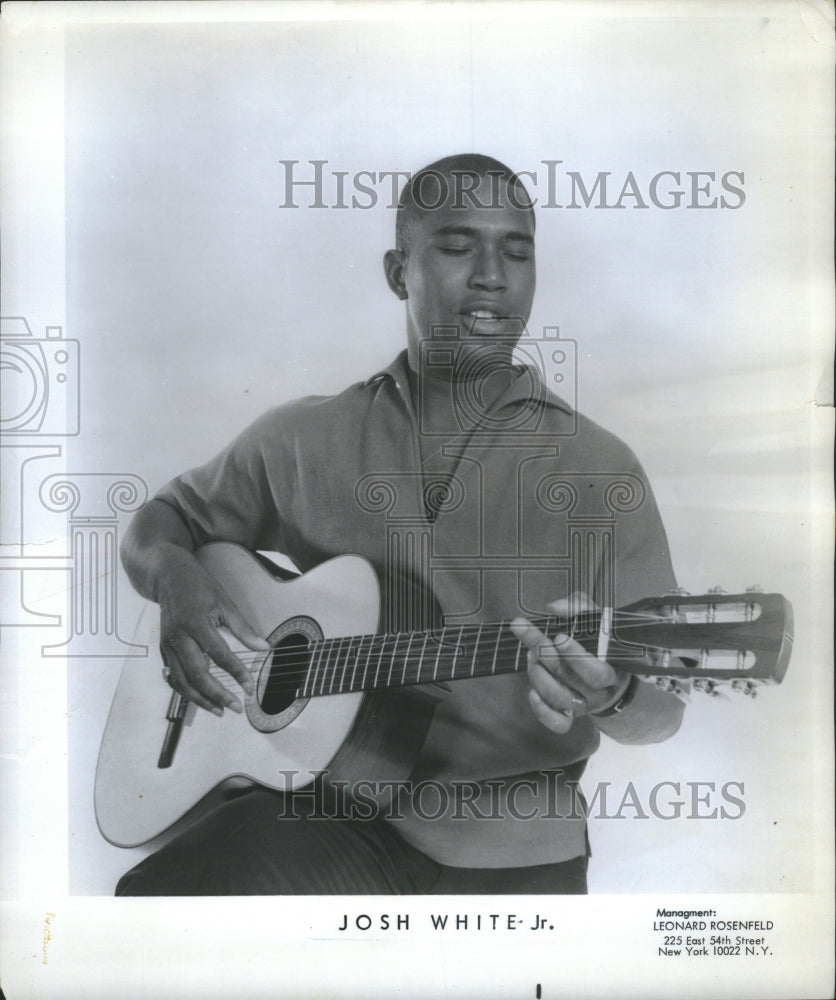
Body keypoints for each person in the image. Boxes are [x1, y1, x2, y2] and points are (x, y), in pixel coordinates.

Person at [115, 153, 685, 895]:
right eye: (456, 246)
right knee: (157, 904)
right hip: (321, 813)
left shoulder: (600, 468)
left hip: (511, 848)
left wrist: (611, 694)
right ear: (397, 271)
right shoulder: (301, 436)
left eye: (517, 251)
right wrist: (177, 579)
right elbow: (159, 524)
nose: (491, 275)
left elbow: (664, 710)